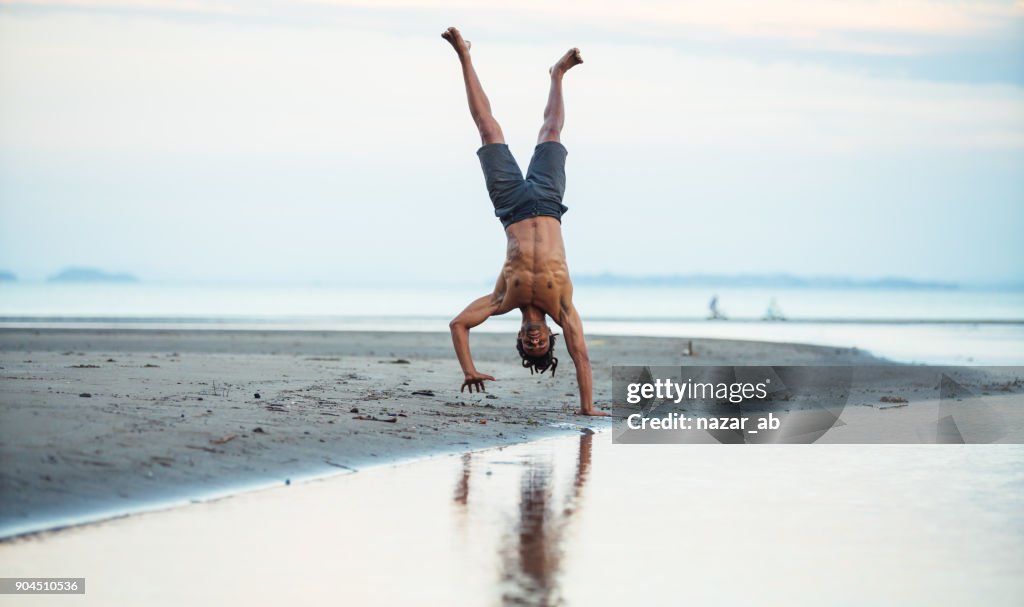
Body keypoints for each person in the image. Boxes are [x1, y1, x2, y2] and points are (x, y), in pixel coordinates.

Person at [442, 27, 606, 416]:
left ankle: (464, 54)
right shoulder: (563, 309)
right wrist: (588, 408)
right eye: (541, 345)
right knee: (551, 131)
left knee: (489, 130)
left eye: (528, 345)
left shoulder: (502, 300)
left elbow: (458, 325)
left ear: (519, 336)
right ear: (550, 337)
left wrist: (469, 369)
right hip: (549, 204)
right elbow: (581, 354)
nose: (534, 342)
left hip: (512, 206)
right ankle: (557, 75)